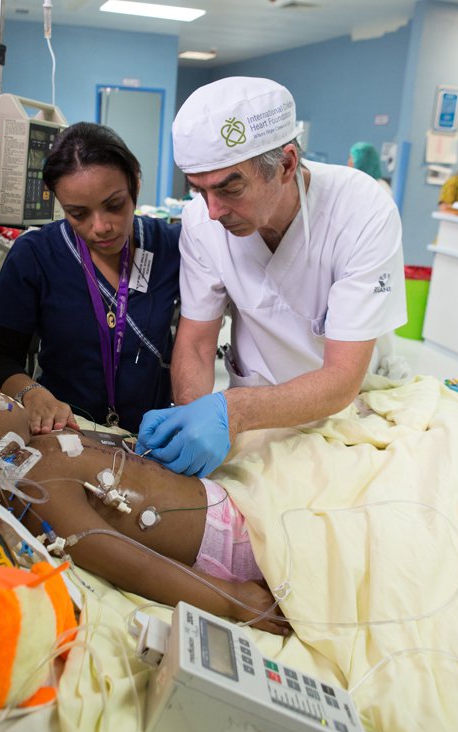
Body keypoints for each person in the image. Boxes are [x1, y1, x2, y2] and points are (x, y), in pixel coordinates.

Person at [136, 77, 407, 477]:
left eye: (230, 188)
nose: (213, 210)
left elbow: (342, 377)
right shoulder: (201, 222)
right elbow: (195, 342)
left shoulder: (362, 211)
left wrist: (230, 411)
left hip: (346, 410)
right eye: (199, 190)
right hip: (255, 412)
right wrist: (191, 416)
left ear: (286, 165)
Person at [0, 370, 291, 637]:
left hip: (237, 498)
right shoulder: (33, 489)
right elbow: (133, 564)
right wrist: (232, 600)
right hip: (234, 544)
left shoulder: (36, 446)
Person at [0, 122, 181, 436]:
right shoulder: (35, 256)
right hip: (69, 432)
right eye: (78, 213)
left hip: (152, 436)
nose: (100, 227)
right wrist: (31, 393)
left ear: (135, 185)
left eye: (114, 205)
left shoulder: (169, 246)